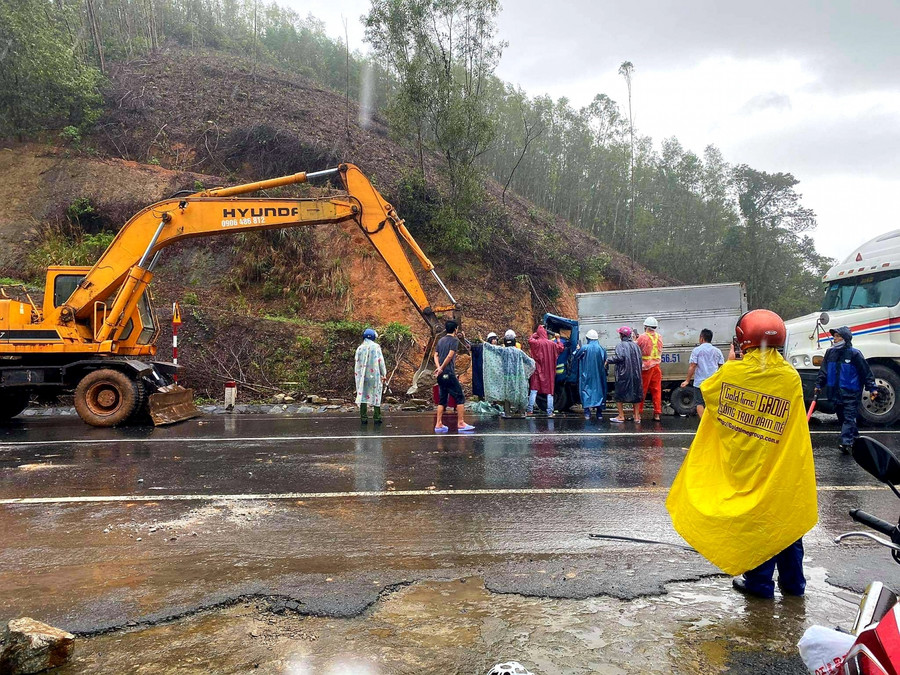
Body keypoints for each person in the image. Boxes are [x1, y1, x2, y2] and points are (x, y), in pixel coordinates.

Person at [666, 310, 818, 599]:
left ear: (740, 341)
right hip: (782, 464)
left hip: (746, 462)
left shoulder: (729, 375)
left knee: (758, 524)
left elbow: (708, 391)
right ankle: (794, 586)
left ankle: (760, 586)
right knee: (786, 520)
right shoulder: (790, 377)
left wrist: (734, 361)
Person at [814, 326, 878, 453]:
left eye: (838, 336)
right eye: (834, 336)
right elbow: (824, 372)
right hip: (835, 393)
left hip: (851, 393)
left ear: (846, 339)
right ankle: (855, 438)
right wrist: (818, 385)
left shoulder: (855, 354)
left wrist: (872, 388)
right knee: (843, 419)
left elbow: (866, 372)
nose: (835, 339)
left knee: (849, 418)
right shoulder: (830, 353)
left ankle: (846, 443)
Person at [433, 320, 475, 433]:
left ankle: (439, 424)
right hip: (448, 373)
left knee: (442, 399)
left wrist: (438, 368)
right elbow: (450, 356)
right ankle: (461, 423)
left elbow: (435, 355)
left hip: (441, 375)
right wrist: (442, 368)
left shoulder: (441, 340)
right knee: (460, 397)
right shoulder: (454, 341)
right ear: (455, 329)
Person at [483, 336, 536, 418]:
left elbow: (493, 348)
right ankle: (522, 413)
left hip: (506, 376)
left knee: (507, 394)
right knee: (520, 393)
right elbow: (530, 362)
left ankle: (507, 413)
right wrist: (526, 372)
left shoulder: (503, 350)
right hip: (518, 376)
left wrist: (484, 343)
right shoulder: (519, 352)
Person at [681, 328, 725, 417]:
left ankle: (703, 423)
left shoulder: (696, 350)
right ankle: (713, 422)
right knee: (713, 403)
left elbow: (692, 366)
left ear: (701, 338)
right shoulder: (717, 351)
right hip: (713, 382)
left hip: (700, 383)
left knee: (699, 403)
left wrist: (687, 380)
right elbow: (722, 367)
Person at [607, 326, 644, 423]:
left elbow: (619, 357)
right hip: (636, 374)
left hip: (624, 374)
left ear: (621, 335)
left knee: (619, 395)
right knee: (636, 395)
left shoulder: (620, 345)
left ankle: (621, 416)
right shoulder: (636, 346)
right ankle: (636, 417)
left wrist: (608, 360)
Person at [527, 325, 565, 417]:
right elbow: (561, 348)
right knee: (549, 392)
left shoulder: (536, 343)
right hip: (549, 372)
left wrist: (536, 334)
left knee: (534, 390)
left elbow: (530, 339)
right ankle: (549, 412)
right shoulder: (552, 344)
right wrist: (558, 339)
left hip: (537, 371)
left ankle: (529, 410)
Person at [355, 328, 386, 424]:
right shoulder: (376, 347)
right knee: (376, 393)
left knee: (363, 393)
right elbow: (381, 361)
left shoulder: (360, 348)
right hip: (374, 375)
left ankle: (363, 417)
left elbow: (357, 362)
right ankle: (377, 417)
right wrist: (384, 374)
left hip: (362, 376)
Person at [575, 329, 608, 420]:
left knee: (586, 392)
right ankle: (599, 413)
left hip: (586, 375)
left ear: (588, 338)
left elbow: (576, 356)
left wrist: (577, 349)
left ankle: (587, 413)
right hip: (599, 376)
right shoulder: (601, 349)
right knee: (600, 392)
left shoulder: (584, 348)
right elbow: (606, 362)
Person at [636, 317, 664, 421]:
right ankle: (657, 414)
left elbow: (636, 347)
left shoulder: (642, 337)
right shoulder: (659, 337)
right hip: (656, 367)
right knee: (656, 390)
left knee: (642, 390)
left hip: (645, 368)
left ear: (646, 327)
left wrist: (635, 340)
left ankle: (638, 413)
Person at [470, 332, 498, 401]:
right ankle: (481, 397)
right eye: (493, 339)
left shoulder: (497, 349)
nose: (495, 341)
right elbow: (472, 347)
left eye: (496, 339)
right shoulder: (482, 347)